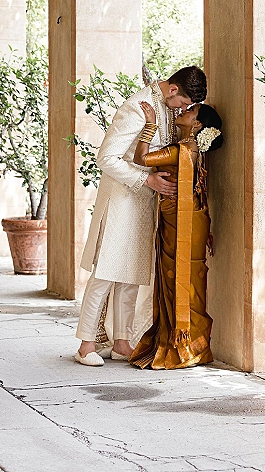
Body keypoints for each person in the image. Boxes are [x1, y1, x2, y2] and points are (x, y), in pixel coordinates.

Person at [75, 66, 207, 366]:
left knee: (131, 275)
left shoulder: (166, 109)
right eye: (184, 103)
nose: (183, 110)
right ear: (172, 90)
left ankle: (122, 342)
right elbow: (105, 158)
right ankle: (85, 345)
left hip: (144, 204)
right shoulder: (136, 108)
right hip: (122, 200)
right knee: (106, 274)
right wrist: (147, 180)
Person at [130, 100, 223, 369]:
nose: (184, 110)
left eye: (191, 110)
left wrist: (149, 127)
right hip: (187, 217)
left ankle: (187, 346)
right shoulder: (194, 149)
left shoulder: (181, 150)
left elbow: (141, 159)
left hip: (182, 219)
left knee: (181, 277)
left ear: (197, 125)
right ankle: (192, 345)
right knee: (186, 276)